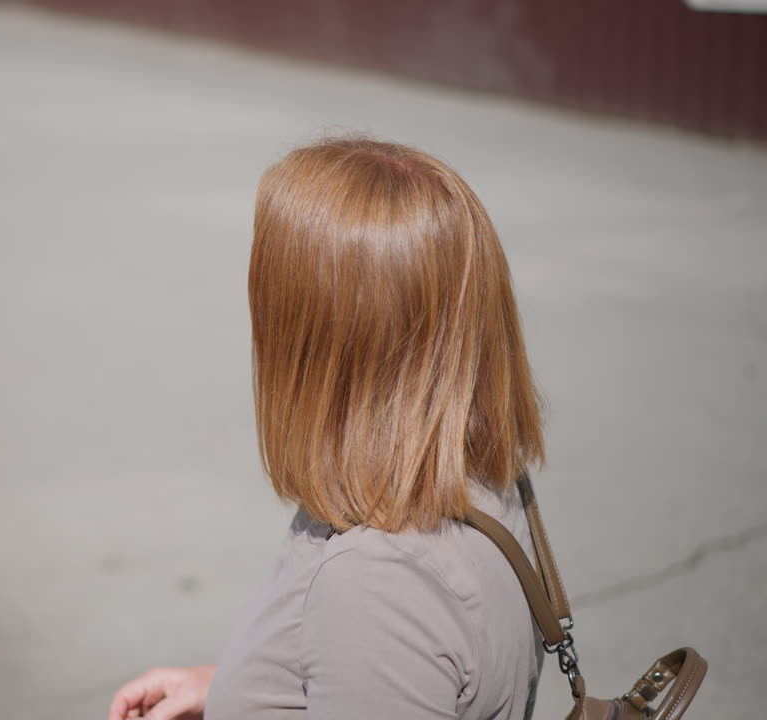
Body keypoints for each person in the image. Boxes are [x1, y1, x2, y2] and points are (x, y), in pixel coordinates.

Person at [108, 138, 547, 720]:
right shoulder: (477, 476)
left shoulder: (376, 583)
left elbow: (390, 649)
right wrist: (243, 685)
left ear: (315, 342)